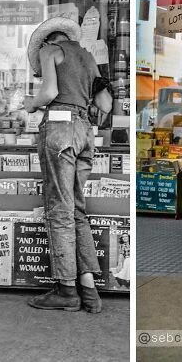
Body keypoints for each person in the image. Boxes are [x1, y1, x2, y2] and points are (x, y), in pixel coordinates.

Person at [23, 16, 111, 313]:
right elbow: (106, 105)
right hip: (86, 132)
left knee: (59, 211)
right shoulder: (87, 56)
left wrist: (31, 104)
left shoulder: (50, 50)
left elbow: (48, 93)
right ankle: (89, 291)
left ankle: (66, 290)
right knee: (76, 211)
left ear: (49, 40)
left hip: (60, 130)